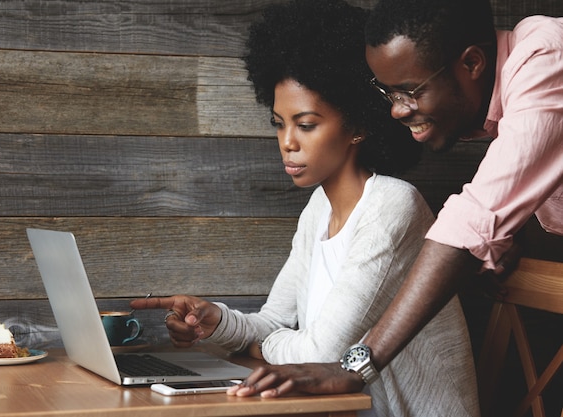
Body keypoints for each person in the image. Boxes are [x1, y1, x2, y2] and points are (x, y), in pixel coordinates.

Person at [131, 1, 481, 415]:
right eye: (279, 123)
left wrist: (260, 346)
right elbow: (275, 319)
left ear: (359, 126)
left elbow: (320, 352)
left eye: (307, 124)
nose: (288, 142)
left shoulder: (392, 205)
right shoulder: (318, 209)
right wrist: (217, 323)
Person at [229, 0, 563, 403]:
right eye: (388, 92)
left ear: (472, 63)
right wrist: (510, 232)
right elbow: (531, 160)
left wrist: (356, 367)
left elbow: (475, 213)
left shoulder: (546, 59)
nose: (396, 109)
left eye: (410, 91)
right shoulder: (521, 80)